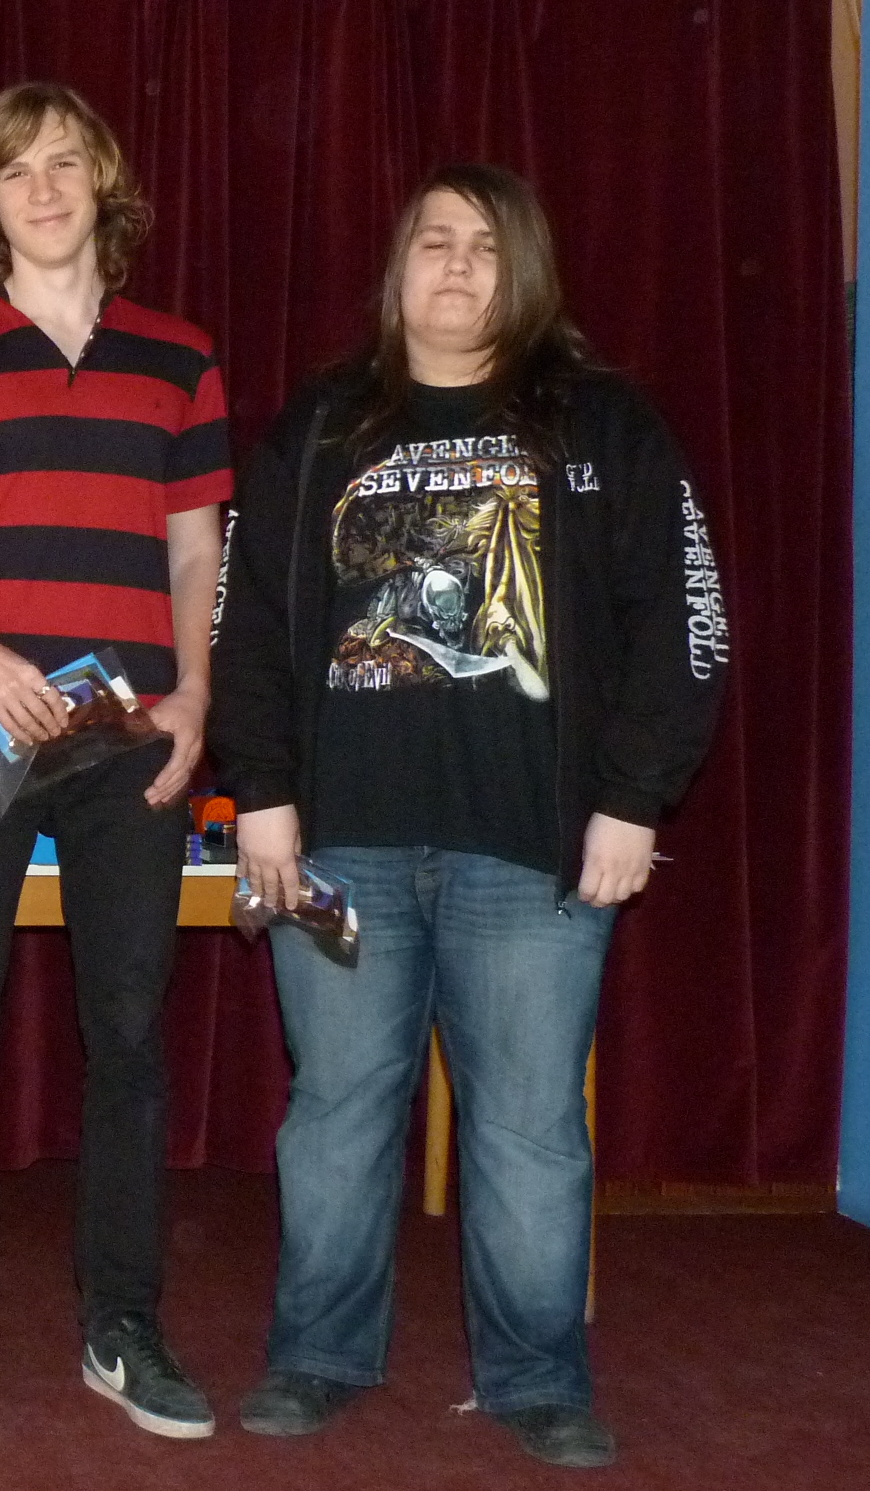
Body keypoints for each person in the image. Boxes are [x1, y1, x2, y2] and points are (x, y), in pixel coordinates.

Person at [209, 163, 730, 1471]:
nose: (454, 265)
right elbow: (245, 626)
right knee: (336, 1110)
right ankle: (318, 1354)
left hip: (533, 854)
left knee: (529, 1127)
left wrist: (632, 801)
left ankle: (538, 1377)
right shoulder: (321, 425)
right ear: (396, 268)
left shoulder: (604, 425)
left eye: (485, 247)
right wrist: (260, 796)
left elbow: (683, 628)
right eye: (433, 241)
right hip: (339, 846)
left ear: (526, 275)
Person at [0, 82, 228, 1438]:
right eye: (15, 169)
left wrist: (195, 697)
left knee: (127, 1030)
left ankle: (123, 1324)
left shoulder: (181, 358)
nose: (44, 188)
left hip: (129, 736)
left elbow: (196, 553)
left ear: (102, 182)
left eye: (65, 162)